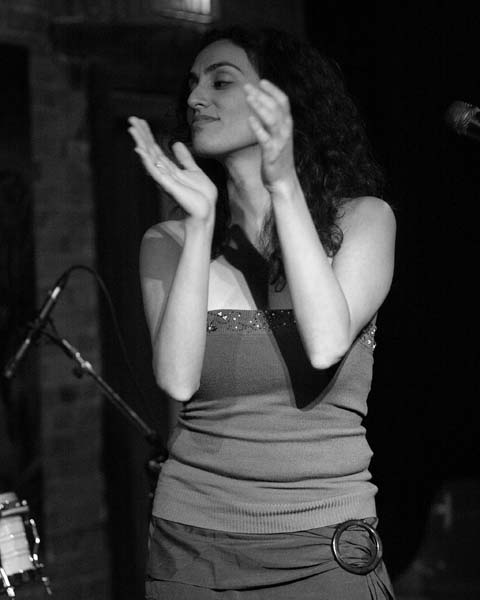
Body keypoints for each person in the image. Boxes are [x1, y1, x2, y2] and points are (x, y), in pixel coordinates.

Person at [128, 25, 396, 600]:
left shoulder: (363, 220)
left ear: (280, 100)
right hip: (194, 544)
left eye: (221, 81)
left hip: (324, 543)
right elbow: (177, 380)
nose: (196, 98)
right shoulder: (167, 241)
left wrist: (283, 185)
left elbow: (325, 344)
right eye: (192, 84)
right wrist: (200, 225)